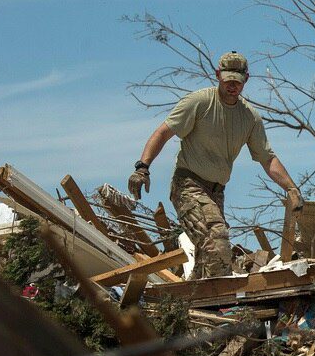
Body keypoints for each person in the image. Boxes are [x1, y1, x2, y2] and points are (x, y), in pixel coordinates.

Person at [128, 51, 303, 279]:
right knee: (217, 241)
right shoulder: (199, 102)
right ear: (218, 75)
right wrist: (143, 167)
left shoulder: (249, 117)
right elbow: (163, 132)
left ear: (246, 80)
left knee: (207, 254)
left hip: (216, 193)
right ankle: (221, 302)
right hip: (188, 185)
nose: (232, 86)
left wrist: (291, 188)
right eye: (228, 79)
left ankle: (192, 305)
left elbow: (267, 158)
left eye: (237, 81)